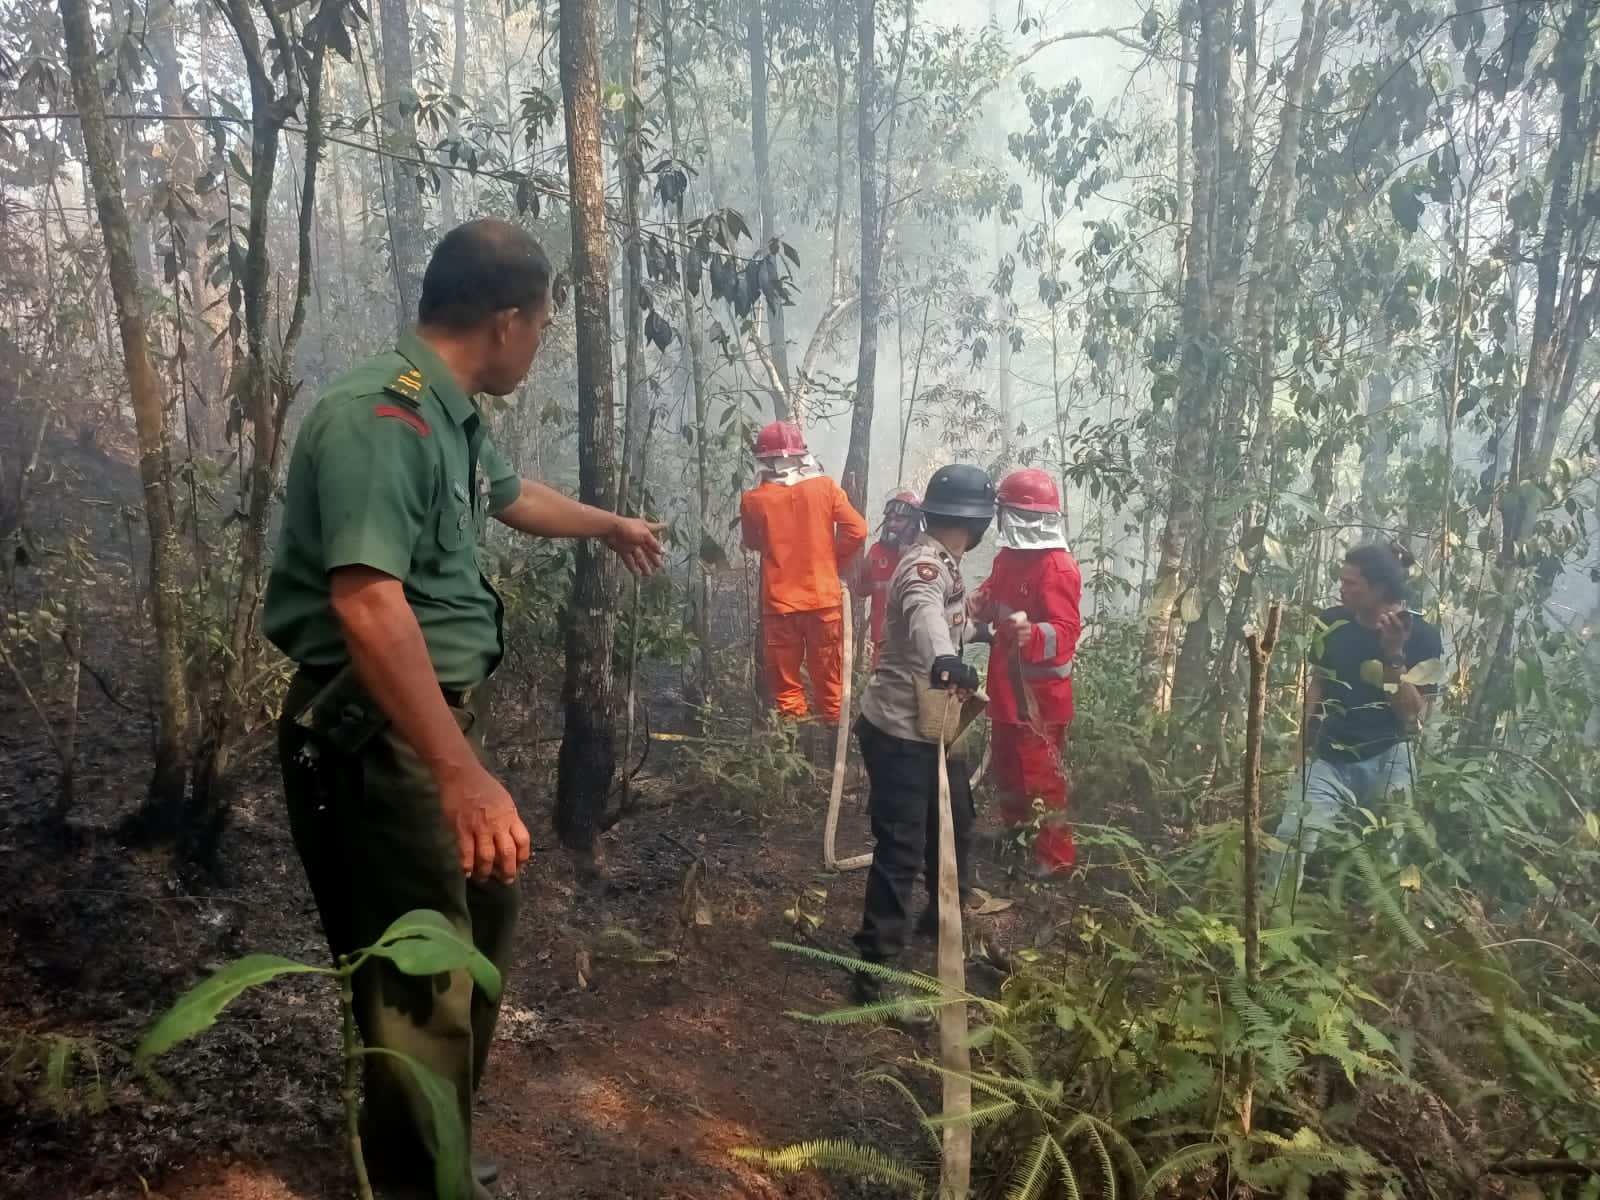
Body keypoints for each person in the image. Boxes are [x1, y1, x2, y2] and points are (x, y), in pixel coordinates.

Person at [262, 220, 664, 1200]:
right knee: (422, 970)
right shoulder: (380, 419)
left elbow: (508, 495)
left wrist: (607, 525)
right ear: (507, 320)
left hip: (426, 729)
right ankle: (418, 1179)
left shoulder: (449, 415)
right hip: (378, 736)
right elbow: (367, 601)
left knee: (481, 921)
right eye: (544, 327)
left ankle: (431, 1143)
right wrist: (460, 773)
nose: (539, 344)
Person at [851, 464, 997, 1017]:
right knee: (901, 848)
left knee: (955, 825)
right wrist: (944, 659)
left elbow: (947, 619)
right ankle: (875, 971)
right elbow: (923, 613)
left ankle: (943, 924)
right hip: (900, 732)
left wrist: (983, 632)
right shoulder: (924, 566)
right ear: (975, 523)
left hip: (934, 726)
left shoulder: (943, 562)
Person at [1264, 543, 1443, 908]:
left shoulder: (1421, 634)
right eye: (1341, 580)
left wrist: (1393, 655)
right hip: (1330, 754)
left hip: (1389, 758)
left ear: (1379, 589)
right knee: (1292, 835)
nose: (1341, 589)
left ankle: (1381, 927)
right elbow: (1318, 683)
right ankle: (1272, 917)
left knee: (1388, 855)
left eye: (1351, 583)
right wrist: (1301, 743)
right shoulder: (1332, 622)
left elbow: (1410, 714)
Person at [969, 468, 1082, 874]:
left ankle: (1055, 858)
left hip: (1040, 699)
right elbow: (995, 592)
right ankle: (1016, 832)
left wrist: (1031, 633)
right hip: (1007, 689)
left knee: (1041, 778)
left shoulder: (1058, 568)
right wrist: (980, 600)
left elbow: (1067, 631)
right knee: (1008, 768)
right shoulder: (1009, 556)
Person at [739, 422, 868, 732]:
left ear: (764, 460)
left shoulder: (753, 499)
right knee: (830, 683)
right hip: (823, 599)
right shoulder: (825, 488)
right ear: (802, 455)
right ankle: (834, 743)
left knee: (786, 687)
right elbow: (858, 530)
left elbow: (753, 542)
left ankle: (794, 749)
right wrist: (831, 561)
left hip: (780, 605)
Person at [845, 488, 922, 668]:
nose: (892, 524)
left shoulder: (925, 555)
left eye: (899, 519)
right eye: (889, 518)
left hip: (915, 643)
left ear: (914, 522)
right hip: (882, 641)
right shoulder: (876, 552)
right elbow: (861, 590)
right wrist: (857, 571)